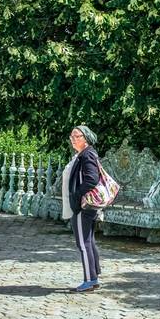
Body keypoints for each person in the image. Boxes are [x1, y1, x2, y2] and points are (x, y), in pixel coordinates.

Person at [62, 125, 105, 293]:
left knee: (83, 243)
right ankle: (93, 278)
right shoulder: (84, 154)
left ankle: (89, 280)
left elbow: (92, 179)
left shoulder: (87, 155)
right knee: (89, 241)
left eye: (76, 136)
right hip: (84, 205)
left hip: (83, 206)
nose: (73, 139)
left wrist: (76, 196)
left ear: (85, 138)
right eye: (71, 136)